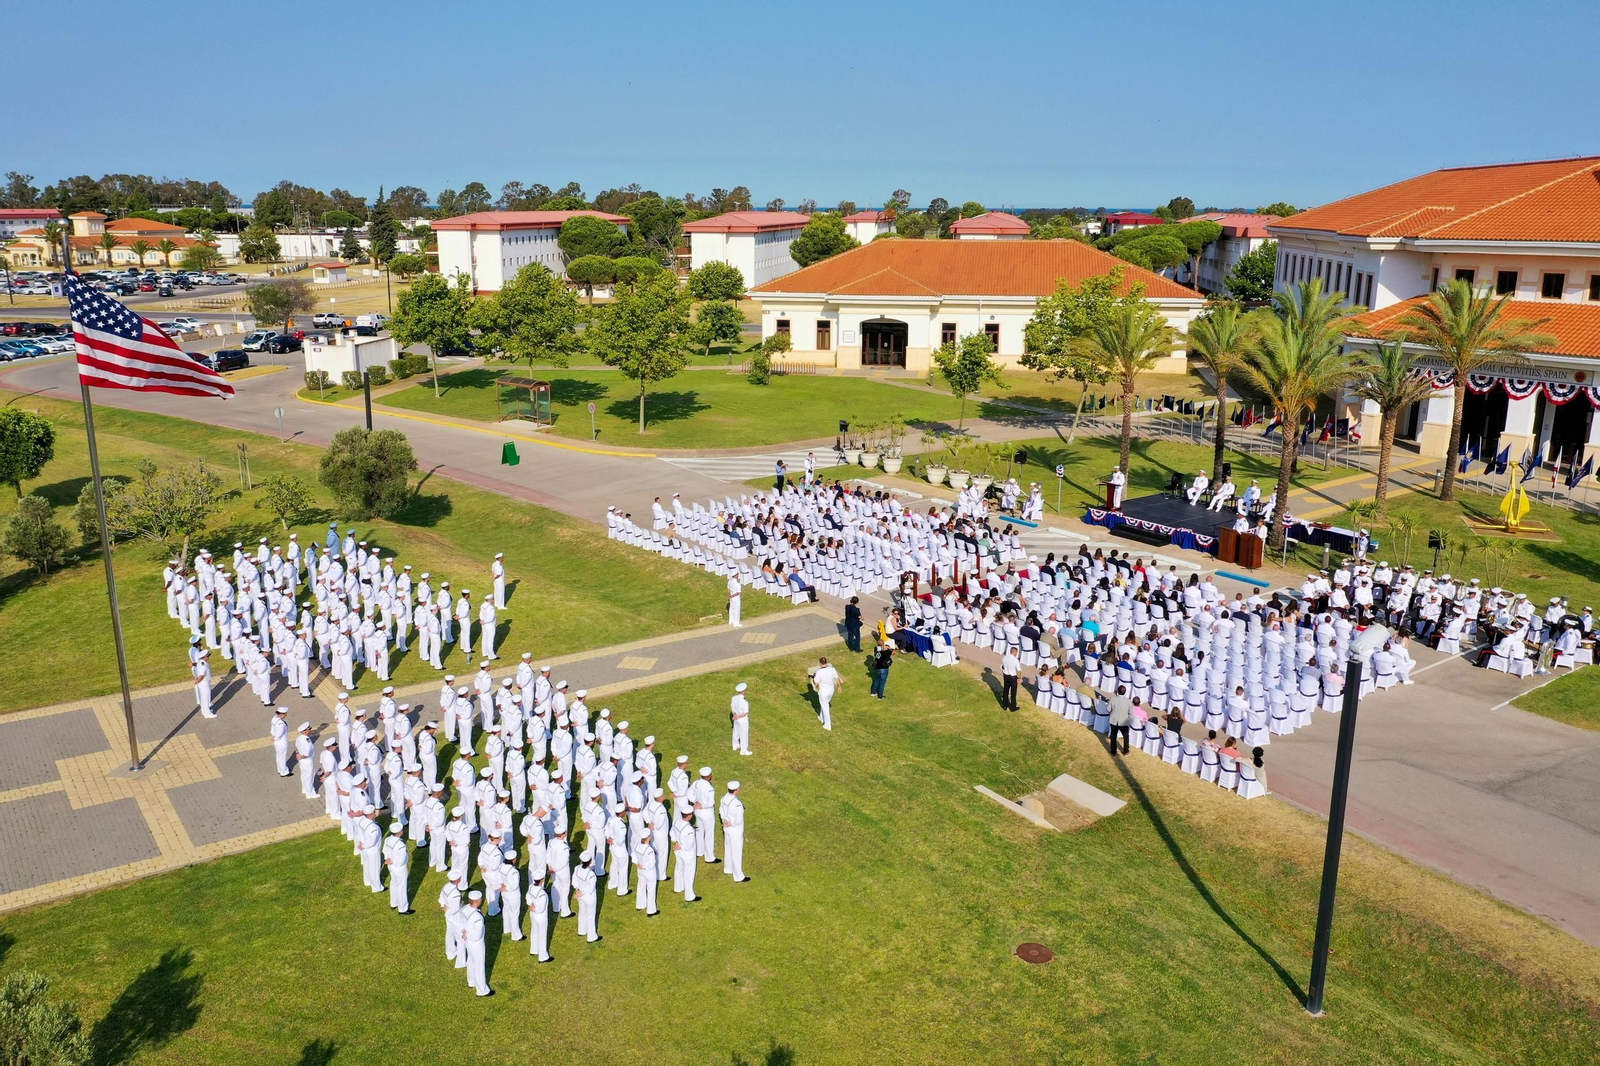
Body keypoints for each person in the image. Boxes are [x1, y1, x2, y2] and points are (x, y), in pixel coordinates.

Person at [461, 892, 492, 996]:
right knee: (479, 966)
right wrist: (468, 934)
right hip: (476, 944)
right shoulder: (477, 917)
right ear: (478, 901)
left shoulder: (465, 908)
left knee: (470, 960)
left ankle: (471, 981)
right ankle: (482, 990)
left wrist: (464, 933)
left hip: (467, 942)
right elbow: (477, 935)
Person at [721, 780, 747, 882]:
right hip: (735, 830)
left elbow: (721, 810)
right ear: (736, 790)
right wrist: (731, 822)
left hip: (726, 828)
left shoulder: (724, 798)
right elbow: (738, 820)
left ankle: (728, 868)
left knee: (728, 848)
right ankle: (738, 876)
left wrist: (724, 820)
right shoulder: (737, 804)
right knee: (736, 852)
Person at [382, 822, 411, 913]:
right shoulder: (401, 845)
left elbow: (384, 850)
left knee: (394, 883)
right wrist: (393, 861)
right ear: (399, 833)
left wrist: (388, 859)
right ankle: (403, 908)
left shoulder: (387, 839)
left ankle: (394, 903)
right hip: (399, 868)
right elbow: (401, 861)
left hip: (391, 867)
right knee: (401, 887)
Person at [572, 853, 600, 942]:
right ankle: (591, 937)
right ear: (590, 861)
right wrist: (582, 892)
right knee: (590, 916)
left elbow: (574, 881)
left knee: (582, 912)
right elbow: (590, 889)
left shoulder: (577, 868)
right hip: (589, 897)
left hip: (580, 895)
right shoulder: (591, 874)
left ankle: (581, 930)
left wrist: (578, 890)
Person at [813, 656, 840, 730]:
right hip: (831, 690)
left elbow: (816, 684)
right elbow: (837, 678)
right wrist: (839, 686)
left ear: (820, 664)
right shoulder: (832, 669)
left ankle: (827, 725)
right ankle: (821, 717)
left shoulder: (819, 672)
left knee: (825, 707)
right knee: (824, 704)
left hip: (823, 691)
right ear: (826, 662)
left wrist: (814, 680)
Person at [1107, 685, 1133, 755]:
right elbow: (1131, 712)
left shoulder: (1112, 699)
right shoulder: (1128, 701)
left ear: (1118, 691)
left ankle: (1113, 752)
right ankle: (1126, 751)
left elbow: (1108, 709)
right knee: (1126, 736)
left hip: (1114, 720)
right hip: (1123, 721)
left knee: (1113, 736)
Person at [730, 681, 751, 756]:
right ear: (744, 691)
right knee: (744, 734)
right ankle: (744, 750)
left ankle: (735, 745)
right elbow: (745, 713)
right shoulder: (745, 702)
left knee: (736, 732)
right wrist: (738, 716)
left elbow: (732, 707)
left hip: (736, 719)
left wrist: (735, 715)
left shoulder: (734, 698)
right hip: (742, 720)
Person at [270, 707, 291, 777]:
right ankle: (284, 772)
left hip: (276, 742)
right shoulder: (281, 724)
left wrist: (273, 736)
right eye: (285, 714)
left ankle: (280, 769)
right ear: (282, 714)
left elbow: (272, 729)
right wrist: (275, 738)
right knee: (282, 757)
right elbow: (279, 734)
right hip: (281, 742)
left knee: (279, 756)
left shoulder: (274, 718)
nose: (286, 715)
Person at [999, 644, 1021, 712]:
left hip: (1006, 675)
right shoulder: (1015, 660)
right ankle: (1013, 707)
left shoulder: (1005, 657)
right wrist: (1019, 677)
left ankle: (1005, 705)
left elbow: (1001, 666)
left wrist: (1003, 672)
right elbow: (1019, 670)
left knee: (1005, 690)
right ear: (1015, 652)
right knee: (1013, 693)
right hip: (1013, 677)